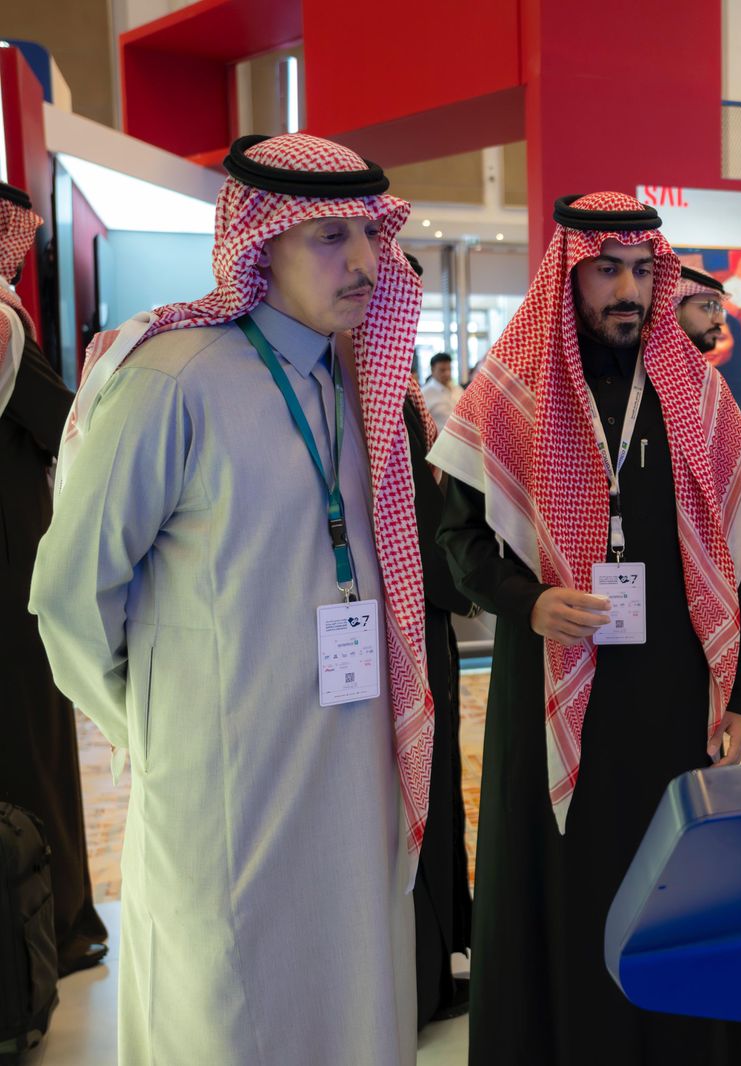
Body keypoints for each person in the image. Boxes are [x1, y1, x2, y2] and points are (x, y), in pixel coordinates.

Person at [31, 133, 432, 1066]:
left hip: (351, 769)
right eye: (330, 236)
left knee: (353, 991)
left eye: (370, 234)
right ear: (262, 242)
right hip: (223, 787)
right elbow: (71, 596)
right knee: (224, 1006)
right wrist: (157, 727)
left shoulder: (355, 383)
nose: (365, 262)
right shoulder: (171, 380)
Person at [428, 192, 741, 1066]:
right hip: (549, 681)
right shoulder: (510, 390)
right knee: (560, 886)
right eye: (607, 270)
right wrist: (527, 601)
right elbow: (458, 538)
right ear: (568, 275)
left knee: (672, 881)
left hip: (671, 692)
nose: (629, 290)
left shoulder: (698, 394)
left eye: (644, 271)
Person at [0, 179, 110, 974]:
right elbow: (62, 422)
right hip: (10, 566)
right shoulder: (2, 322)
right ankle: (56, 928)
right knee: (31, 740)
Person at [400, 258, 474, 1028]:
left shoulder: (399, 392)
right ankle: (421, 975)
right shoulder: (378, 396)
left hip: (422, 621)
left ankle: (440, 955)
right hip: (401, 630)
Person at [678, 267, 741, 453]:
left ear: (735, 344)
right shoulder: (677, 386)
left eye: (719, 338)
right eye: (707, 337)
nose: (711, 346)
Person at [421, 350, 462, 429]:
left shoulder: (458, 389)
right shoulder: (424, 393)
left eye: (449, 369)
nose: (447, 373)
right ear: (432, 370)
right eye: (442, 370)